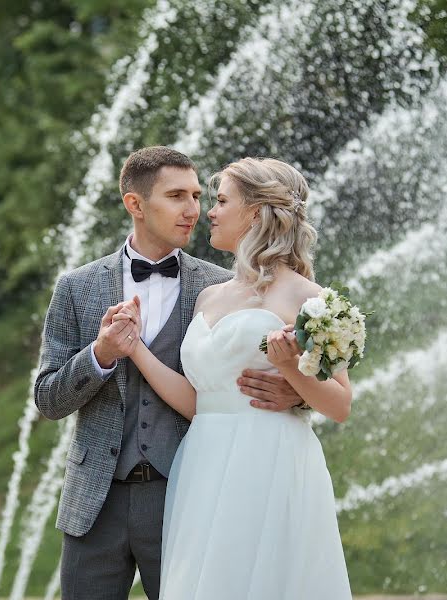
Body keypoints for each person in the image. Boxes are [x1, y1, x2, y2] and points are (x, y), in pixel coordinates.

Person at [33, 147, 308, 600]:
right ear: (135, 205)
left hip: (189, 492)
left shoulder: (222, 285)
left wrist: (293, 394)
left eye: (199, 195)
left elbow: (263, 365)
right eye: (177, 195)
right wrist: (100, 354)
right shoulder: (77, 287)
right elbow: (48, 399)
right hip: (95, 503)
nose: (194, 209)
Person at [113, 156, 352, 599]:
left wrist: (288, 371)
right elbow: (199, 401)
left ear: (256, 213)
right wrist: (135, 350)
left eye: (221, 201)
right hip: (204, 458)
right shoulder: (209, 295)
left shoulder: (309, 297)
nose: (210, 212)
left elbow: (339, 404)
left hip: (270, 458)